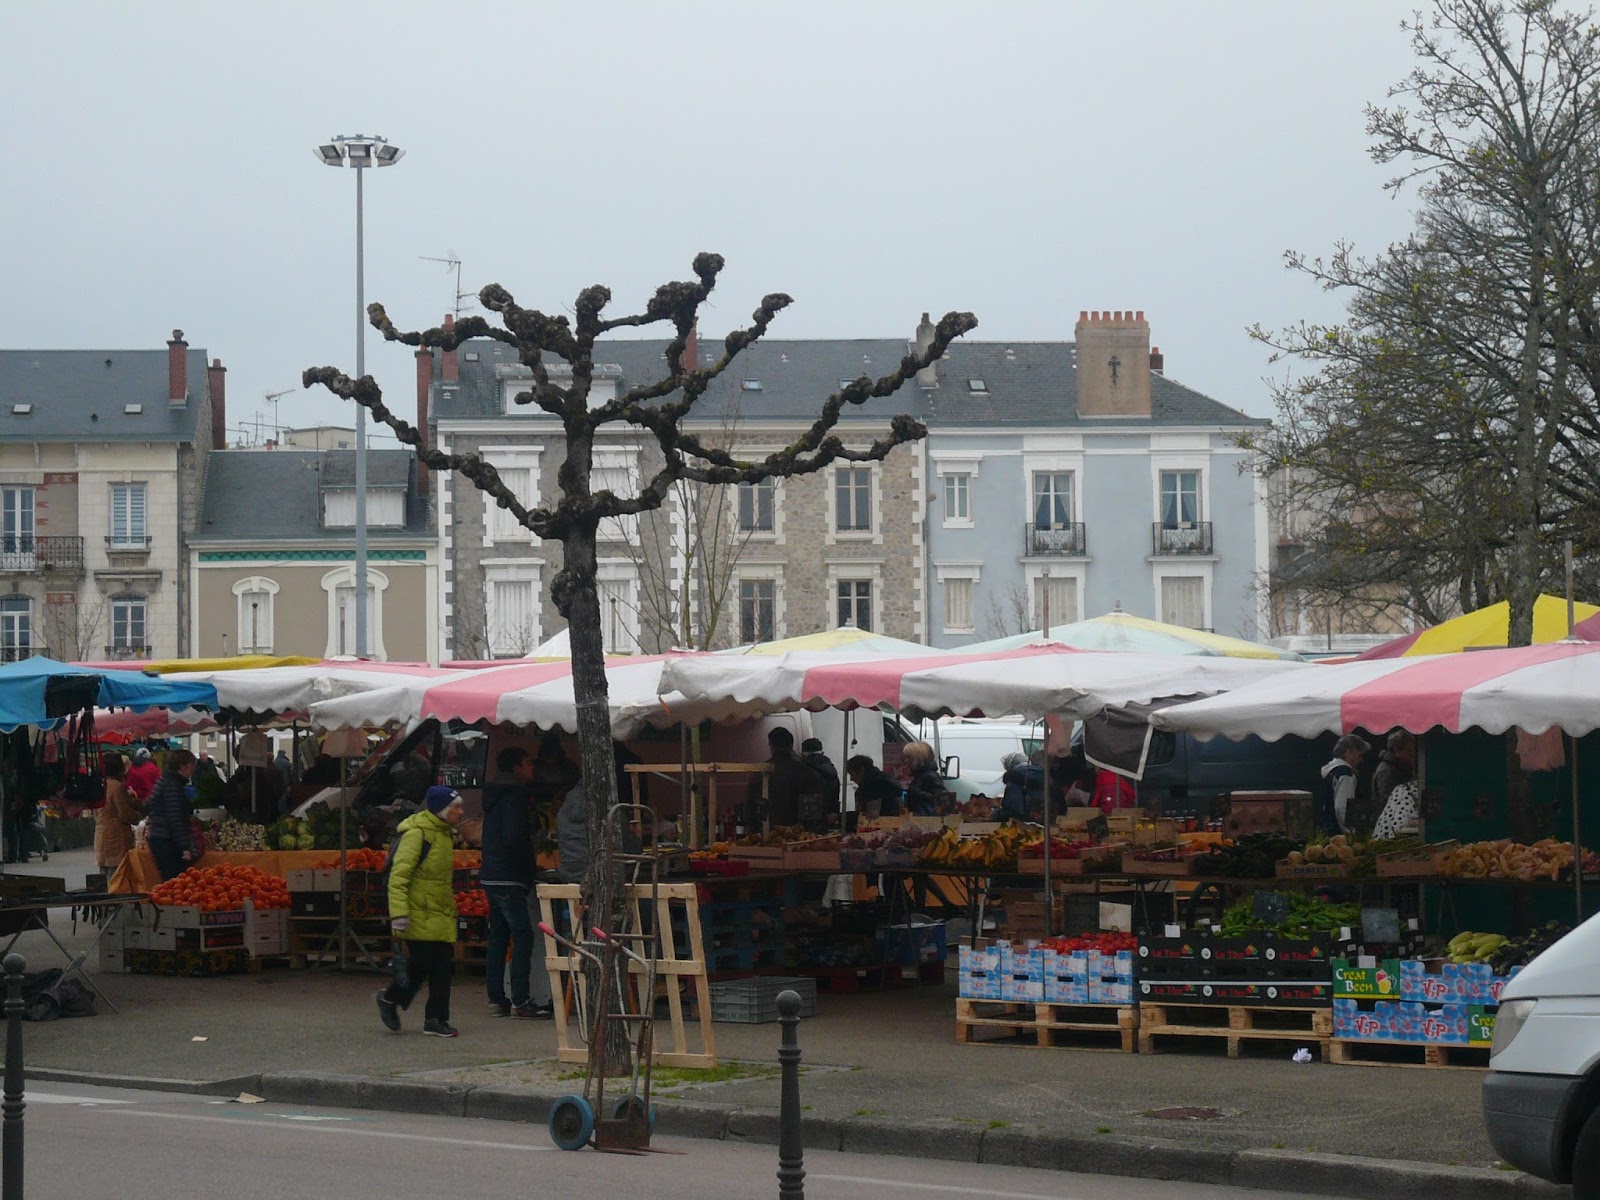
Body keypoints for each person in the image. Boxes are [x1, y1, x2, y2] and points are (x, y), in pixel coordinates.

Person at [377, 786, 465, 1037]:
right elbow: (399, 875)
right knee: (422, 964)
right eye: (456, 807)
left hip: (438, 911)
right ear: (442, 811)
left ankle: (435, 1019)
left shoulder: (444, 833)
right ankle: (391, 998)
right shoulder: (418, 834)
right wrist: (399, 914)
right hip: (417, 911)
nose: (461, 811)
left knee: (440, 967)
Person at [479, 747, 552, 1020]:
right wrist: (527, 866)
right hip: (510, 876)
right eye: (528, 763)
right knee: (522, 935)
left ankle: (496, 997)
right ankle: (520, 999)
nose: (532, 768)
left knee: (498, 936)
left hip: (491, 872)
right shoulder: (516, 797)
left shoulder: (494, 795)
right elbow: (513, 837)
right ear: (517, 767)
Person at [751, 727, 823, 831]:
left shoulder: (759, 773)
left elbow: (754, 813)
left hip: (768, 837)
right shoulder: (807, 773)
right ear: (791, 746)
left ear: (770, 745)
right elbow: (812, 815)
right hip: (797, 839)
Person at [145, 748, 198, 882]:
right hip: (167, 841)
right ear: (183, 766)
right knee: (174, 883)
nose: (193, 769)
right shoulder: (172, 786)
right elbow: (175, 818)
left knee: (170, 882)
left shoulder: (167, 781)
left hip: (160, 838)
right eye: (192, 765)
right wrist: (184, 847)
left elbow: (148, 805)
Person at [94, 753, 142, 873]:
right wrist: (139, 816)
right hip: (116, 837)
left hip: (101, 833)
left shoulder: (100, 785)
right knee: (118, 876)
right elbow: (125, 814)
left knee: (105, 875)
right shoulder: (117, 787)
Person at [1317, 734, 1371, 836]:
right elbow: (1343, 807)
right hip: (1339, 835)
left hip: (1327, 831)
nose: (1362, 760)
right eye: (1360, 755)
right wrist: (1351, 834)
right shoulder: (1345, 773)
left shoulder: (1330, 772)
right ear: (1348, 752)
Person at [1369, 731, 1416, 830]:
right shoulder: (1386, 771)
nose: (1413, 755)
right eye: (1409, 751)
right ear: (1396, 750)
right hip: (1390, 827)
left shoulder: (1400, 768)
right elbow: (1387, 802)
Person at [528, 732, 582, 816]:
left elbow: (576, 789)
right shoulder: (534, 766)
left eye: (552, 752)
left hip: (564, 808)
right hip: (538, 807)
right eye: (546, 753)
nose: (550, 758)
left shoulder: (569, 767)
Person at [845, 756, 902, 823]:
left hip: (881, 826)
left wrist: (841, 817)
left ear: (861, 770)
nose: (851, 779)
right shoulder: (881, 782)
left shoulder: (874, 786)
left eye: (852, 774)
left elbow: (871, 816)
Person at [799, 738, 841, 830]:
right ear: (822, 752)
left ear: (804, 753)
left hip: (811, 818)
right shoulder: (831, 768)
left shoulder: (804, 769)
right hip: (832, 817)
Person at [902, 741, 946, 816]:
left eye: (909, 757)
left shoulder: (930, 776)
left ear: (918, 758)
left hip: (928, 821)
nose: (906, 761)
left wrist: (918, 793)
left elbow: (941, 799)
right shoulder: (920, 776)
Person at [998, 751, 1044, 823]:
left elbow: (1011, 810)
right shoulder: (1042, 773)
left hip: (1022, 821)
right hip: (1045, 817)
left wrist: (996, 814)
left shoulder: (1012, 779)